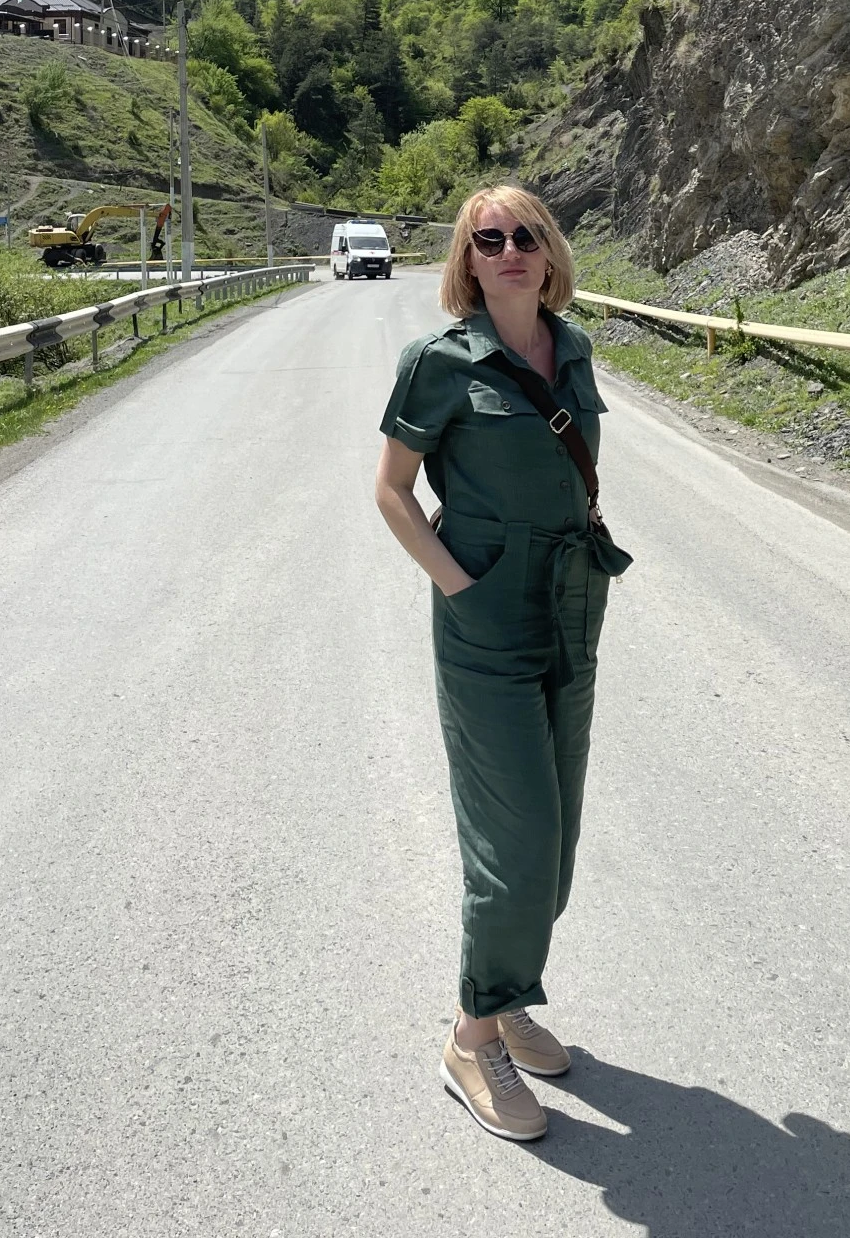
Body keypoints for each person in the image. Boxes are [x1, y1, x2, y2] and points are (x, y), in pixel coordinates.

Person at [375, 185, 630, 1142]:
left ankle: (508, 993)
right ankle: (470, 1034)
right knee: (514, 850)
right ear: (468, 259)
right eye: (490, 239)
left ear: (550, 249)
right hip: (487, 616)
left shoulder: (575, 348)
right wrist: (460, 587)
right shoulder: (438, 362)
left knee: (555, 846)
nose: (511, 249)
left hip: (571, 605)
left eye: (527, 234)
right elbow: (393, 491)